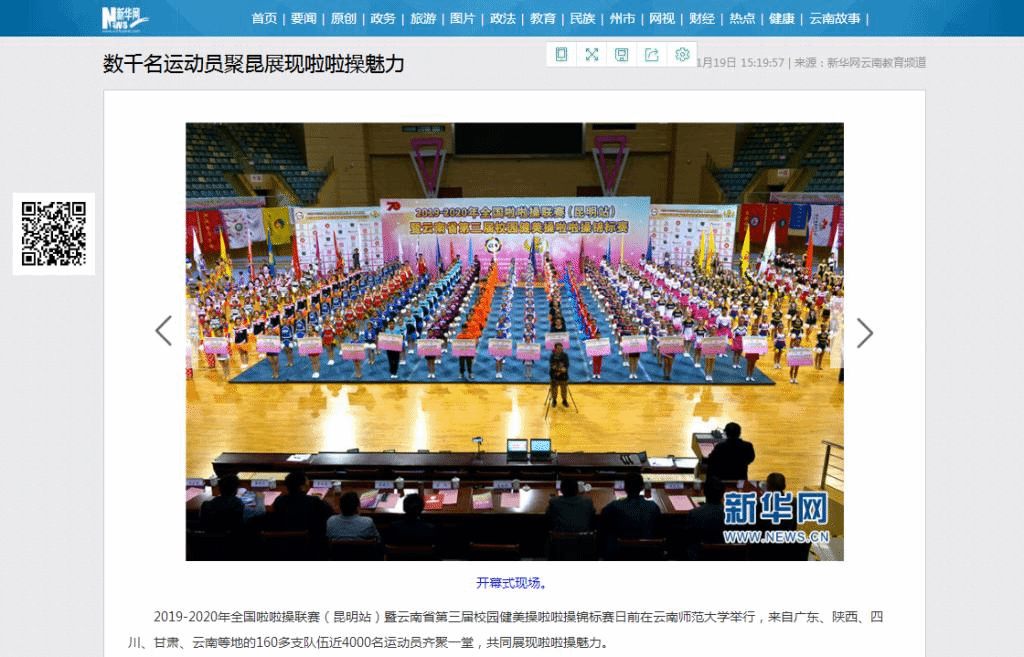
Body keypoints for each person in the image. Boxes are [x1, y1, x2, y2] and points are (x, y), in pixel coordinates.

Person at [599, 472, 661, 559]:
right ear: (642, 487)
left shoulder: (615, 506)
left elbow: (602, 516)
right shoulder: (653, 506)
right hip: (646, 553)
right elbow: (659, 529)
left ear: (625, 487)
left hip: (620, 554)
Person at [270, 471, 334, 545]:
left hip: (284, 544)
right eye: (307, 482)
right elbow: (330, 512)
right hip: (310, 544)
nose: (308, 484)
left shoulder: (279, 501)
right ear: (302, 487)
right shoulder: (314, 501)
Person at [198, 473, 264, 534]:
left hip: (211, 540)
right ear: (236, 490)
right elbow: (260, 512)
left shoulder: (206, 506)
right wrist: (260, 498)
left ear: (219, 488)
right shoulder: (240, 507)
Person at [682, 476, 726, 560]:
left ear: (704, 492)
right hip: (725, 555)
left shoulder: (694, 514)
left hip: (699, 556)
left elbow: (687, 538)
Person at [549, 341, 570, 407]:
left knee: (564, 389)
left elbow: (567, 364)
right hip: (554, 375)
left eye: (561, 348)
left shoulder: (565, 355)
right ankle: (554, 400)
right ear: (555, 349)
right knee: (554, 389)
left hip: (563, 375)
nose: (560, 349)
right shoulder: (552, 356)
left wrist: (563, 370)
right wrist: (558, 370)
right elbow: (552, 365)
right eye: (558, 348)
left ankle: (564, 400)